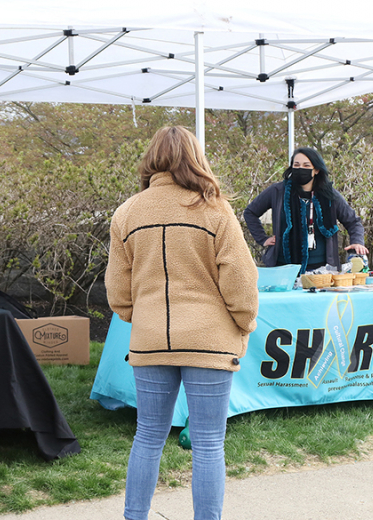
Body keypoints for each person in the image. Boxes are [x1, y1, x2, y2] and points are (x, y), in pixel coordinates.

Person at [106, 126, 259, 520]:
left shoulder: (126, 213)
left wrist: (140, 318)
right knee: (209, 443)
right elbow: (241, 282)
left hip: (150, 339)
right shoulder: (215, 208)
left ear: (153, 159)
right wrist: (243, 324)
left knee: (148, 436)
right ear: (194, 157)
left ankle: (134, 516)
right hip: (210, 340)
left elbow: (118, 292)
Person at [243, 147, 368, 274]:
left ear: (316, 170)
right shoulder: (277, 191)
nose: (300, 169)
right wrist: (263, 239)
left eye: (306, 165)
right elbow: (250, 212)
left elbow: (353, 221)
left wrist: (357, 242)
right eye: (296, 165)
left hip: (321, 269)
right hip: (282, 268)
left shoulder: (330, 195)